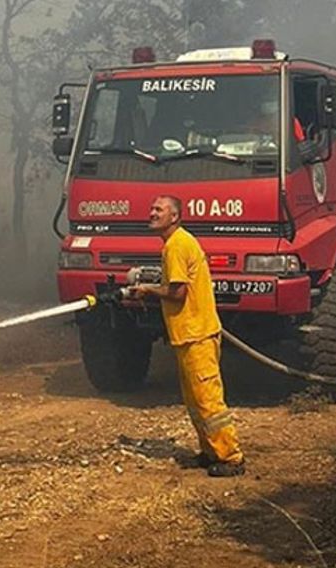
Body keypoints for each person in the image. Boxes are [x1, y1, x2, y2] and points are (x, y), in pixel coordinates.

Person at [130, 195, 245, 477]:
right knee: (195, 399)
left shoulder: (177, 245)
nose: (152, 212)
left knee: (208, 399)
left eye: (159, 209)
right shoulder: (174, 244)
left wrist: (147, 289)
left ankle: (231, 457)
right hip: (187, 334)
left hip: (197, 333)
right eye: (152, 207)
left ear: (175, 217)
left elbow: (178, 293)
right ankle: (210, 451)